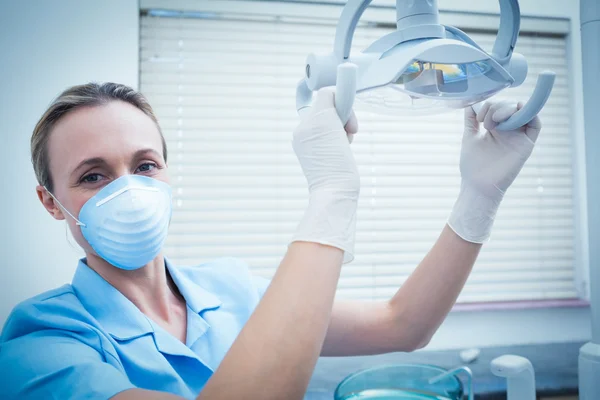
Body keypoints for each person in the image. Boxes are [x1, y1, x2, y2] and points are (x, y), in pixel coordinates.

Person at [0, 82, 541, 400]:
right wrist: (330, 192)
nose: (130, 190)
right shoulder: (38, 343)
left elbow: (405, 324)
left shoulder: (231, 289)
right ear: (52, 201)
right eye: (93, 176)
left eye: (146, 165)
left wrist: (480, 195)